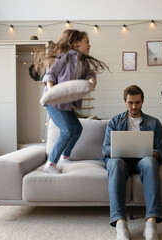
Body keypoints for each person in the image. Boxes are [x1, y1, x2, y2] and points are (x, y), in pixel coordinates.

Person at [37, 29, 109, 174]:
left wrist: (92, 79)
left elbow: (89, 74)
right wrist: (52, 92)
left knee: (77, 129)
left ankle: (65, 156)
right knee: (67, 130)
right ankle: (50, 163)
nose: (89, 45)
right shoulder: (64, 57)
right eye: (87, 42)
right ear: (76, 43)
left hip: (66, 103)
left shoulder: (83, 62)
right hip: (54, 102)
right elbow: (51, 74)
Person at [101, 85, 162, 240]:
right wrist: (115, 150)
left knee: (150, 162)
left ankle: (151, 223)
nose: (134, 106)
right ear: (125, 101)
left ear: (142, 101)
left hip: (143, 160)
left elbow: (161, 151)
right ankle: (120, 223)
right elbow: (105, 148)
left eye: (137, 102)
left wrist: (150, 152)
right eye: (130, 103)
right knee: (115, 163)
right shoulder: (114, 122)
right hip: (120, 160)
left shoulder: (154, 123)